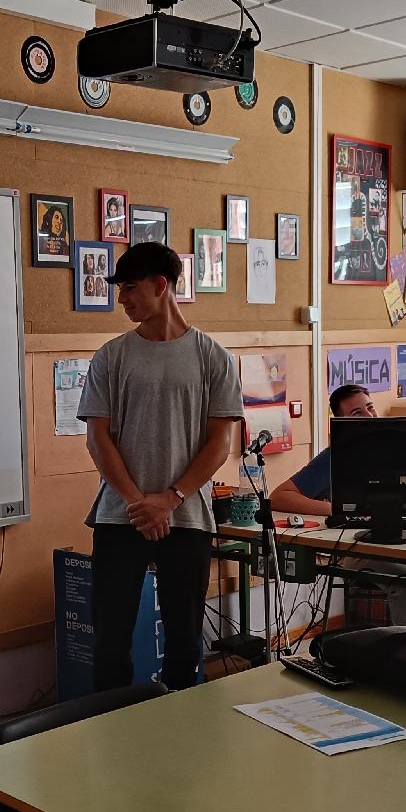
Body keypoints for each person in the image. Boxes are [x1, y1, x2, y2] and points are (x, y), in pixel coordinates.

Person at [78, 241, 242, 690]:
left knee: (185, 642)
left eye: (129, 287)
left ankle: (179, 728)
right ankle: (112, 727)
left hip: (186, 517)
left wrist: (170, 499)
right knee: (110, 641)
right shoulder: (111, 356)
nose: (122, 299)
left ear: (161, 286)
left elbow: (219, 443)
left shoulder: (213, 357)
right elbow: (97, 439)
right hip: (120, 516)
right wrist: (139, 503)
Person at [268, 384, 406, 627]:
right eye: (357, 413)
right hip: (362, 546)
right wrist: (339, 510)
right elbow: (280, 496)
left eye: (370, 408)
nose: (369, 416)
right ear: (341, 423)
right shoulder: (335, 456)